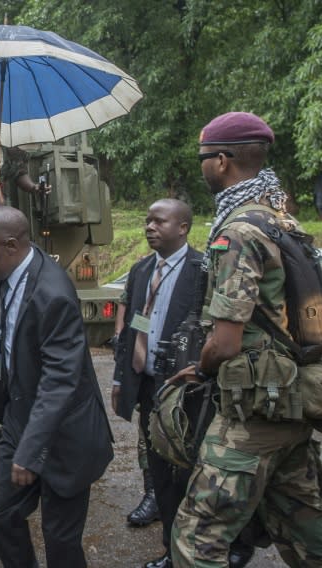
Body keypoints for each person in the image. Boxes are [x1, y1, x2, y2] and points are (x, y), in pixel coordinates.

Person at [170, 111, 322, 566]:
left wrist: (200, 367)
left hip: (254, 415)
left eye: (203, 159)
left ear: (221, 161)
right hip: (291, 399)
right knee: (306, 531)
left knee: (195, 539)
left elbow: (226, 342)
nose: (202, 168)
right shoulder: (284, 222)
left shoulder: (238, 232)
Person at [0, 206, 113, 568]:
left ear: (12, 245)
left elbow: (60, 381)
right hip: (21, 418)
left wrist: (31, 450)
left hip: (65, 434)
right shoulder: (6, 275)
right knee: (0, 514)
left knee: (61, 540)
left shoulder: (54, 296)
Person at [112, 199, 204, 567]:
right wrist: (122, 377)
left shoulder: (202, 270)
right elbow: (133, 325)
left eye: (159, 221)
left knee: (190, 474)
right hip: (150, 388)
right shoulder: (140, 270)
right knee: (161, 474)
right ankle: (170, 549)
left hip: (187, 392)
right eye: (147, 221)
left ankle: (204, 548)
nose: (149, 227)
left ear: (182, 227)